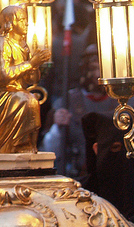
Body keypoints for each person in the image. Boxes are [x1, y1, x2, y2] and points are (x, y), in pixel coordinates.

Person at [0, 5, 51, 153]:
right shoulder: (1, 43)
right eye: (22, 20)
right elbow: (2, 76)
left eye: (26, 20)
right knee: (26, 100)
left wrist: (36, 65)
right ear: (10, 22)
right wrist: (30, 63)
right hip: (0, 93)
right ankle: (4, 145)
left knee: (31, 100)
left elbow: (31, 80)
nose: (26, 23)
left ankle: (26, 146)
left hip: (17, 91)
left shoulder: (23, 46)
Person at [39, 45, 117, 178]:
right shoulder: (67, 102)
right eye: (93, 69)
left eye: (101, 69)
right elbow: (49, 151)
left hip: (114, 175)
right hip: (78, 176)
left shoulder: (122, 102)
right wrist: (57, 128)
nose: (97, 75)